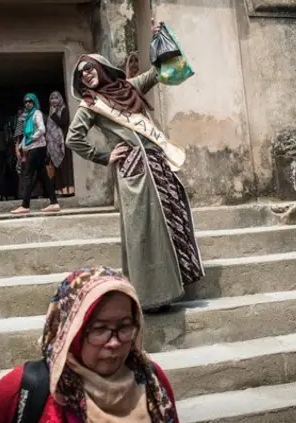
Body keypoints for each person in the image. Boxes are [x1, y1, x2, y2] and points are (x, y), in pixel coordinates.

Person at [65, 20, 204, 311]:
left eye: (90, 68)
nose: (86, 75)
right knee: (144, 230)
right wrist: (104, 156)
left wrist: (158, 38)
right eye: (81, 74)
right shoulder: (90, 105)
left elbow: (158, 73)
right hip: (135, 171)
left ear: (100, 67)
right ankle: (151, 296)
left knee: (171, 219)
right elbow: (73, 139)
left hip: (158, 162)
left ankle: (176, 285)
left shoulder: (127, 87)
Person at [0, 266, 180, 423]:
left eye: (124, 327)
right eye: (99, 329)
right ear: (70, 332)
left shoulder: (152, 381)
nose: (114, 342)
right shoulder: (27, 389)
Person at [12, 93, 60, 214]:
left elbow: (42, 129)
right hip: (34, 147)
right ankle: (54, 203)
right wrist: (23, 145)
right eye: (26, 102)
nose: (28, 103)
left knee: (28, 174)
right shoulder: (27, 116)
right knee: (43, 174)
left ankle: (25, 205)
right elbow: (25, 135)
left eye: (30, 101)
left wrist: (32, 138)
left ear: (34, 102)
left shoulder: (36, 113)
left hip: (38, 147)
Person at [46, 91, 75, 196]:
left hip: (63, 142)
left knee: (65, 166)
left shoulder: (64, 109)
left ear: (60, 99)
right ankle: (60, 190)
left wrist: (54, 115)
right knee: (57, 167)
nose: (54, 100)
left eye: (56, 98)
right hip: (54, 145)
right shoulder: (50, 111)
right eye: (52, 98)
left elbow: (63, 122)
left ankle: (69, 190)